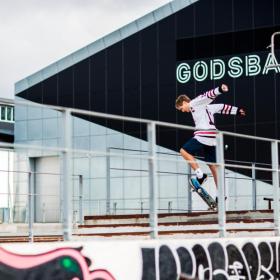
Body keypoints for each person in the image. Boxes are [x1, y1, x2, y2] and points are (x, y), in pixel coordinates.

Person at [175, 84, 245, 201]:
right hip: (213, 137)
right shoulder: (206, 107)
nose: (183, 111)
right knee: (213, 165)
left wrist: (219, 90)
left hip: (204, 134)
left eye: (181, 109)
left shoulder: (194, 103)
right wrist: (237, 111)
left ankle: (200, 175)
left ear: (184, 102)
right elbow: (221, 107)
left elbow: (207, 96)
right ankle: (220, 194)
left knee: (184, 151)